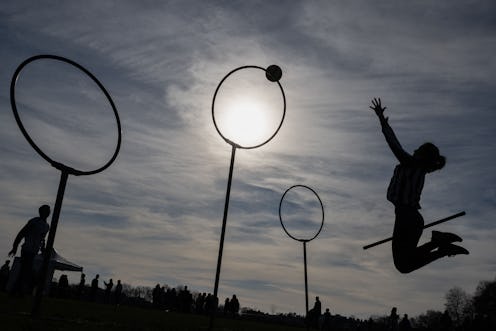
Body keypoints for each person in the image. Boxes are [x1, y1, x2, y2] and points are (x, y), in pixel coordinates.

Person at [370, 98, 468, 273]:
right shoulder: (420, 168)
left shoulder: (411, 164)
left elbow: (393, 143)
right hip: (410, 218)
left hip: (407, 217)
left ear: (421, 155)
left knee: (404, 264)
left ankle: (439, 244)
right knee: (405, 263)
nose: (413, 150)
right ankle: (439, 244)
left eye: (417, 149)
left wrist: (382, 119)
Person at [8, 204, 50, 295]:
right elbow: (21, 233)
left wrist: (43, 249)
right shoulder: (34, 222)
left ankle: (17, 290)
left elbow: (42, 239)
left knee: (26, 270)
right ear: (41, 212)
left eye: (48, 210)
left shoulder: (46, 226)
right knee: (26, 270)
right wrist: (14, 247)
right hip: (27, 249)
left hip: (34, 251)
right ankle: (17, 290)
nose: (48, 212)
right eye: (46, 210)